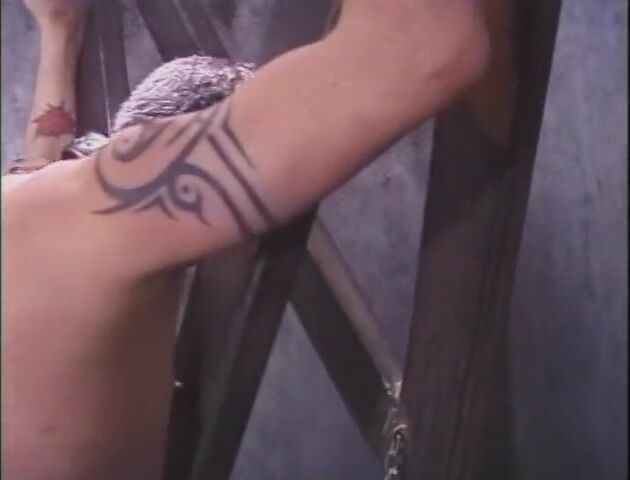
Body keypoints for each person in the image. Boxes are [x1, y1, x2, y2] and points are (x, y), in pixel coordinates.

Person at [2, 0, 490, 478]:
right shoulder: (77, 222)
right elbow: (422, 48)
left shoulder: (48, 229)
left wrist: (59, 33)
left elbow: (38, 174)